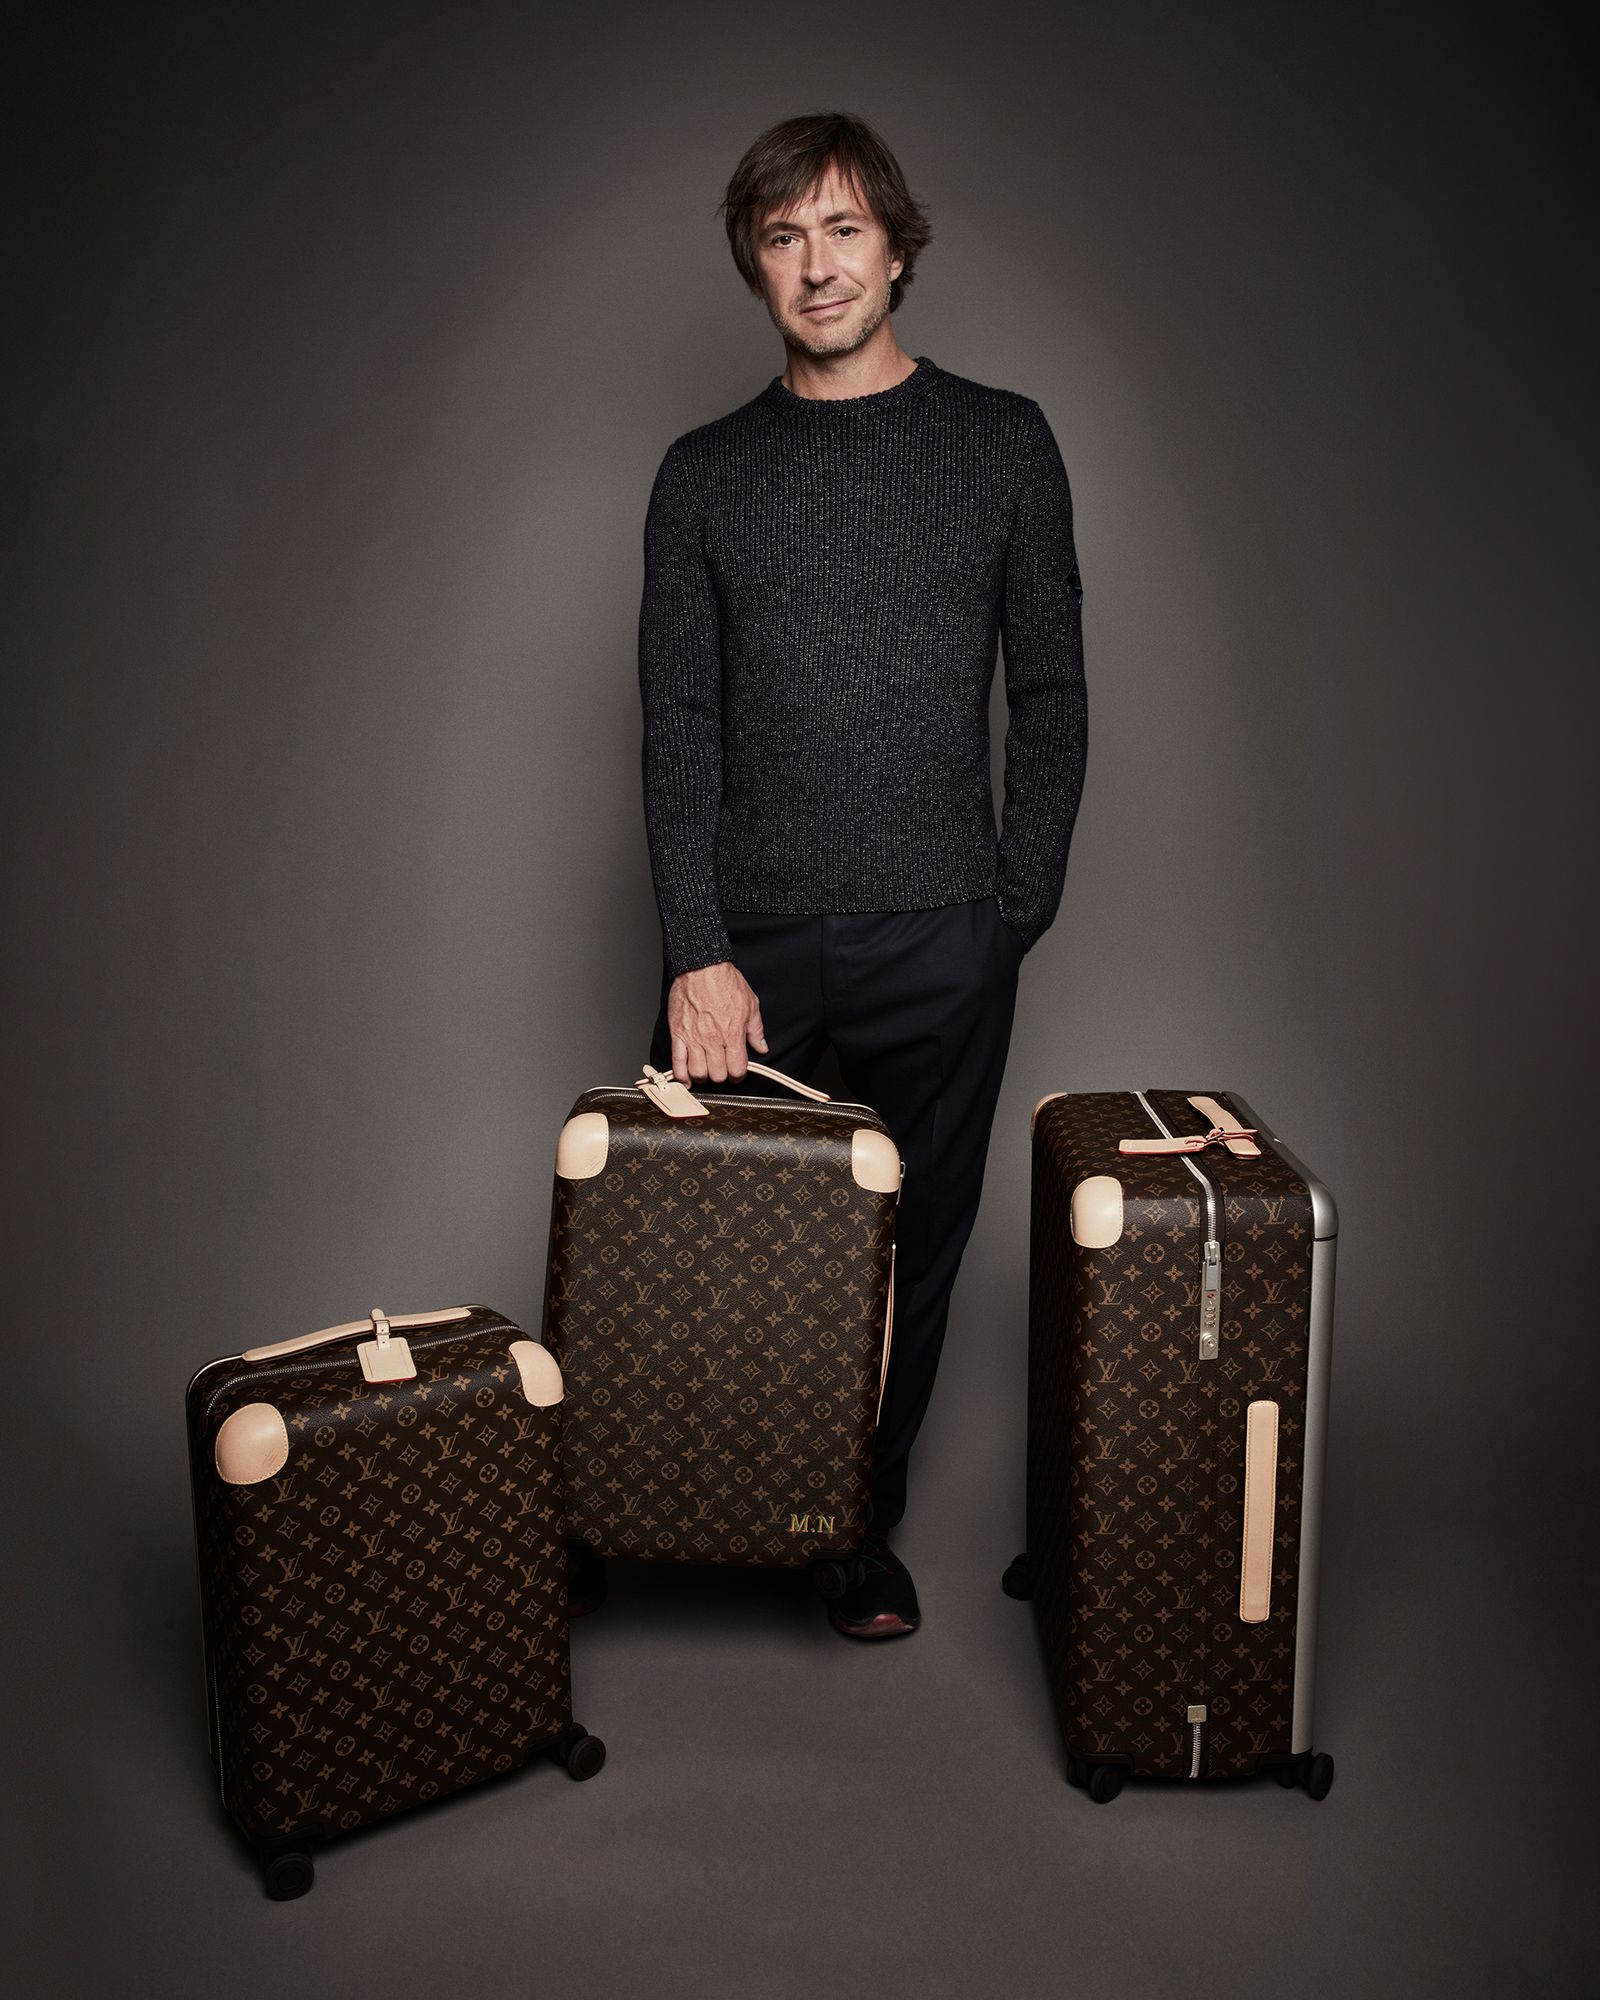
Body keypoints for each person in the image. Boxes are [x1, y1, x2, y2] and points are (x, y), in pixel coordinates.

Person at [634, 110, 1086, 1639]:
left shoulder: (1004, 442)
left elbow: (1055, 695)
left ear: (896, 249)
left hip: (944, 933)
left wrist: (1010, 915)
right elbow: (681, 723)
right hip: (746, 945)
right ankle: (664, 1508)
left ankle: (851, 1531)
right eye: (784, 237)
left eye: (843, 230)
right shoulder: (702, 474)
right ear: (755, 267)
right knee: (693, 1241)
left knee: (910, 1259)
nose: (816, 265)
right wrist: (696, 948)